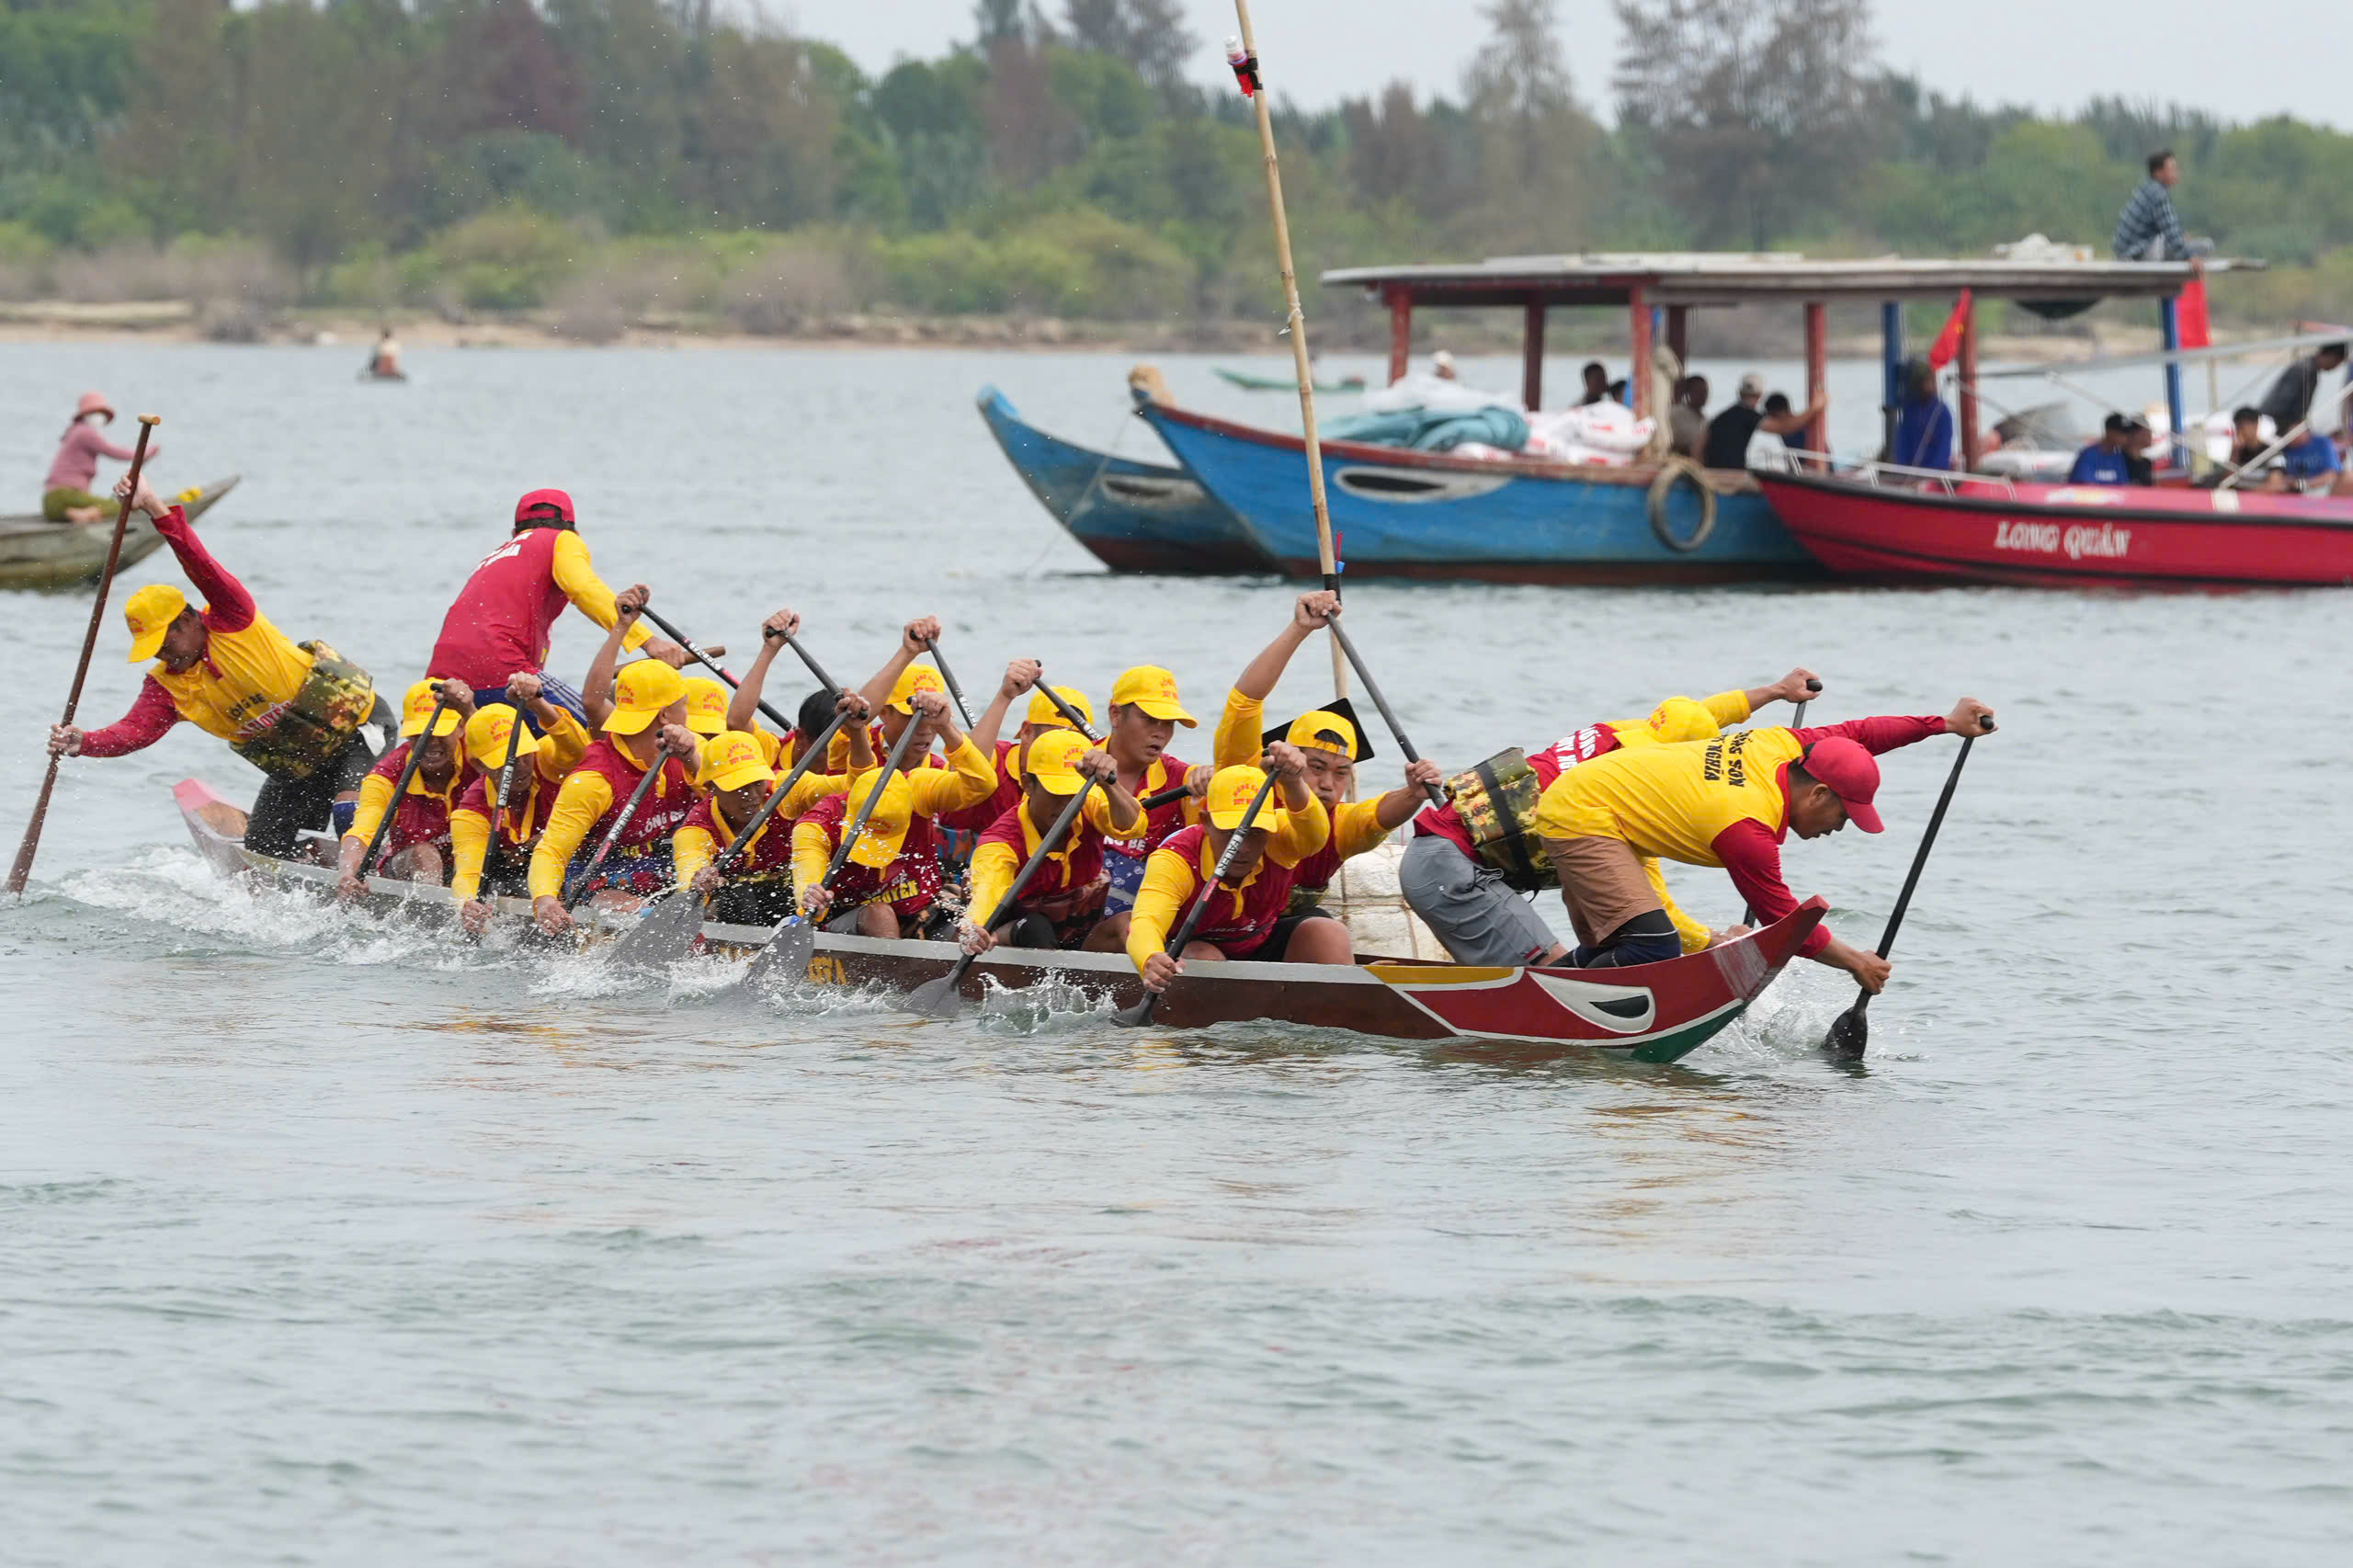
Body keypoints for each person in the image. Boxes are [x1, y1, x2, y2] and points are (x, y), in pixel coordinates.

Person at [1528, 699, 1998, 988]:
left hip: (1609, 804)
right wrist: (1857, 963)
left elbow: (1861, 734)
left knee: (1632, 941)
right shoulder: (1746, 827)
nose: (1841, 827)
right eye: (1844, 813)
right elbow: (1784, 922)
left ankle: (1541, 987)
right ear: (1817, 792)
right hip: (1582, 813)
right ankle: (1544, 1001)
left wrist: (1944, 723)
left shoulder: (1781, 745)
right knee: (1654, 945)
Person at [47, 476, 381, 860]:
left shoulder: (232, 617)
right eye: (151, 649)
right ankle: (324, 869)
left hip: (357, 724)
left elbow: (198, 561)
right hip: (303, 759)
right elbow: (133, 733)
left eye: (163, 642)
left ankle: (363, 869)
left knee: (350, 814)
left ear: (188, 621)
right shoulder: (166, 689)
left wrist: (154, 506)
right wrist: (83, 742)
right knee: (264, 848)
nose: (161, 655)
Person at [1402, 669, 1822, 967]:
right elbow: (1653, 908)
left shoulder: (1627, 733)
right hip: (1452, 876)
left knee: (1589, 948)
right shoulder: (1623, 798)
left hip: (1438, 858)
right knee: (1550, 975)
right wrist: (1712, 943)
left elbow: (1704, 714)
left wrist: (1775, 691)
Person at [1211, 593, 1446, 923]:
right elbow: (1245, 702)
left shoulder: (1341, 827)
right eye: (1316, 768)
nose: (1326, 785)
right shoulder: (1243, 781)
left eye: (1341, 774)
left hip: (1273, 934)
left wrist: (1414, 793)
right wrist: (1299, 629)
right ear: (1287, 759)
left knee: (1324, 929)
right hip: (1209, 929)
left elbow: (1378, 815)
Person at [426, 488, 685, 725]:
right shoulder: (562, 539)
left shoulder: (496, 556)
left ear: (515, 533)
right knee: (599, 734)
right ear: (575, 532)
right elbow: (583, 587)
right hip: (504, 669)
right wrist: (648, 641)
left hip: (441, 682)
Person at [789, 689, 996, 938]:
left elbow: (983, 784)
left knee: (970, 927)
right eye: (872, 838)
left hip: (921, 911)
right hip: (852, 919)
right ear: (847, 813)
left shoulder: (918, 788)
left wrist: (945, 727)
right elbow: (806, 882)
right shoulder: (816, 826)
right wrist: (811, 895)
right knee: (879, 914)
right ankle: (895, 974)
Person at [1127, 750, 1338, 992]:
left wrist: (1293, 781)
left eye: (1255, 832)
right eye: (1231, 832)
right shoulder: (1176, 859)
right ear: (1206, 822)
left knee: (1327, 932)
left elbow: (1316, 836)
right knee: (1204, 956)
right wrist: (1150, 958)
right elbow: (1146, 922)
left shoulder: (1279, 837)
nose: (1243, 848)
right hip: (1190, 949)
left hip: (1259, 942)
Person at [527, 659, 703, 934]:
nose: (688, 714)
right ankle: (653, 922)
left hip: (669, 860)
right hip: (603, 872)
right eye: (684, 704)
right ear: (665, 715)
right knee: (607, 899)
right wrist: (545, 899)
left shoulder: (691, 748)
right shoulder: (593, 780)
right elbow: (552, 850)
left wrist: (691, 759)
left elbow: (722, 799)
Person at [673, 703, 872, 927]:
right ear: (711, 787)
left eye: (756, 783)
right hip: (732, 909)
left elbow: (858, 787)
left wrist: (857, 733)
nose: (750, 795)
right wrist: (697, 882)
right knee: (739, 898)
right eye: (737, 786)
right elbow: (688, 874)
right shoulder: (695, 830)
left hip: (786, 896)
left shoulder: (784, 789)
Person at [958, 728, 1144, 954]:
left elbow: (1135, 827)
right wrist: (975, 929)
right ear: (1027, 784)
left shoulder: (1090, 803)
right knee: (1037, 927)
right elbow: (985, 896)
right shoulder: (1000, 843)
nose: (1067, 805)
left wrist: (1110, 785)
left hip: (1081, 937)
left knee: (1131, 925)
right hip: (1018, 938)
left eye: (1073, 794)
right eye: (1056, 793)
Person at [449, 679, 595, 934]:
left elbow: (576, 747)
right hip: (516, 878)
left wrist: (538, 703)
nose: (521, 767)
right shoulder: (471, 811)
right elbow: (468, 870)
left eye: (523, 755)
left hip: (574, 867)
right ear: (481, 766)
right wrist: (467, 902)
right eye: (506, 762)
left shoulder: (548, 759)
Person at [335, 679, 477, 900]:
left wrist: (469, 709)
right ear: (405, 727)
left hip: (472, 864)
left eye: (439, 733)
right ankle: (434, 913)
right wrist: (348, 874)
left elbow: (514, 758)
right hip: (409, 865)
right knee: (425, 854)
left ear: (460, 728)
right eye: (419, 734)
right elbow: (360, 835)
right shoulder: (385, 777)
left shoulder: (479, 757)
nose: (430, 743)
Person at [1095, 665, 1211, 926]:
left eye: (1168, 723)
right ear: (1115, 714)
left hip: (1142, 923)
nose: (1160, 732)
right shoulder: (1076, 763)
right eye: (1149, 719)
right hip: (1074, 913)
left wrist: (1217, 778)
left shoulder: (1185, 781)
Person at [42, 392, 157, 523]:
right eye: (95, 413)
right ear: (85, 415)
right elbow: (115, 452)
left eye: (101, 413)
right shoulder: (85, 432)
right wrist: (148, 451)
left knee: (97, 503)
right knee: (118, 506)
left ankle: (75, 513)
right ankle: (89, 513)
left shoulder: (74, 431)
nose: (99, 417)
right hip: (65, 496)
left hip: (51, 503)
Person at [1705, 372, 1825, 471]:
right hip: (1730, 474)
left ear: (1739, 392)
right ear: (1760, 395)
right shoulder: (1749, 416)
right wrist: (1814, 408)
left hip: (1713, 469)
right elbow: (1782, 428)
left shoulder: (1721, 417)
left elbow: (1699, 444)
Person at [2113, 150, 2201, 266]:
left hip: (2124, 251)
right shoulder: (2158, 194)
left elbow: (2167, 228)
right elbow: (2171, 232)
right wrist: (2190, 257)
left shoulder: (2147, 188)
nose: (2177, 173)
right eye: (2172, 169)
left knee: (2185, 242)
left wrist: (2181, 237)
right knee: (2204, 247)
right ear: (2158, 173)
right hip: (2137, 253)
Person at [2256, 343, 2347, 435]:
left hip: (2281, 423)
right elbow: (2281, 403)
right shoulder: (2304, 369)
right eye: (2337, 363)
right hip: (2275, 424)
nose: (2335, 367)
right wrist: (2293, 426)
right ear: (2332, 356)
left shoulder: (2309, 369)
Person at [1891, 359, 1954, 471]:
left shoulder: (1941, 412)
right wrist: (1903, 470)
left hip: (1934, 475)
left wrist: (1930, 475)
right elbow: (1902, 444)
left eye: (1932, 381)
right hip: (1909, 474)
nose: (1931, 385)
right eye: (1926, 382)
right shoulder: (1910, 411)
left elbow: (1943, 452)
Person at [2268, 427, 2349, 494]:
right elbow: (2276, 479)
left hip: (2318, 492)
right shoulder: (2282, 448)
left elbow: (2330, 476)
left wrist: (2301, 484)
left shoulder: (2322, 443)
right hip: (2287, 494)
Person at [2068, 414, 2134, 485]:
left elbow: (2124, 486)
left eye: (2127, 433)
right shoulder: (2088, 455)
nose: (2125, 437)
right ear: (2109, 431)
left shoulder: (2118, 457)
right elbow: (2085, 486)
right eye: (2122, 433)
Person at [1668, 376, 1710, 460]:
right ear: (1688, 393)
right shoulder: (1677, 413)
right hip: (1680, 462)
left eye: (1705, 391)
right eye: (1698, 391)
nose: (1703, 395)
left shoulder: (1705, 418)